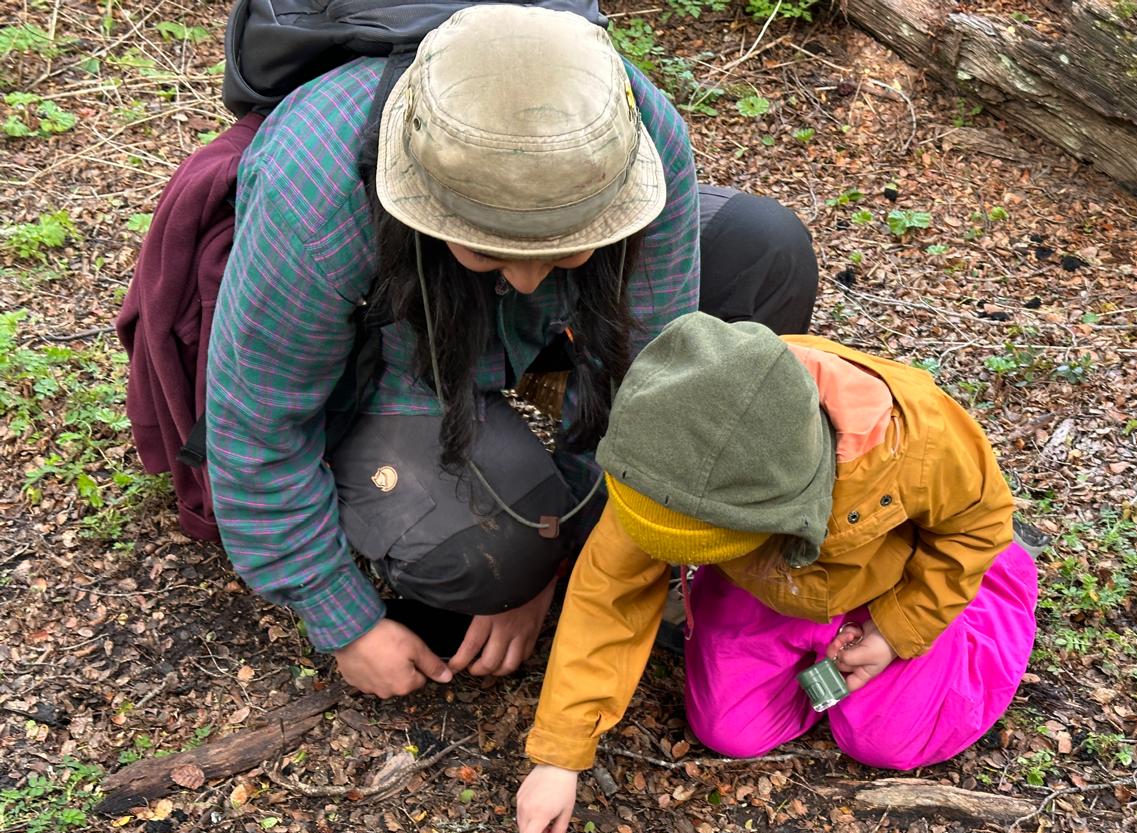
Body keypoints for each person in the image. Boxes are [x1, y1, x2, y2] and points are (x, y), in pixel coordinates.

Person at [204, 5, 818, 698]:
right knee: (489, 557)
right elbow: (259, 426)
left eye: (563, 252)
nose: (527, 277)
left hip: (547, 351)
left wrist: (577, 549)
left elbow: (651, 370)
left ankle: (552, 514)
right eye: (489, 252)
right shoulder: (314, 191)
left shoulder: (641, 126)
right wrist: (341, 620)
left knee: (765, 252)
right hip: (408, 366)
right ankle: (489, 526)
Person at [509, 312, 1039, 833]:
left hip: (893, 578)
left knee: (888, 739)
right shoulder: (665, 440)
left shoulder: (915, 439)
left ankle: (999, 586)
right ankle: (810, 634)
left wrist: (897, 627)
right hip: (770, 584)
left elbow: (976, 520)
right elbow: (609, 592)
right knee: (729, 731)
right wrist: (560, 759)